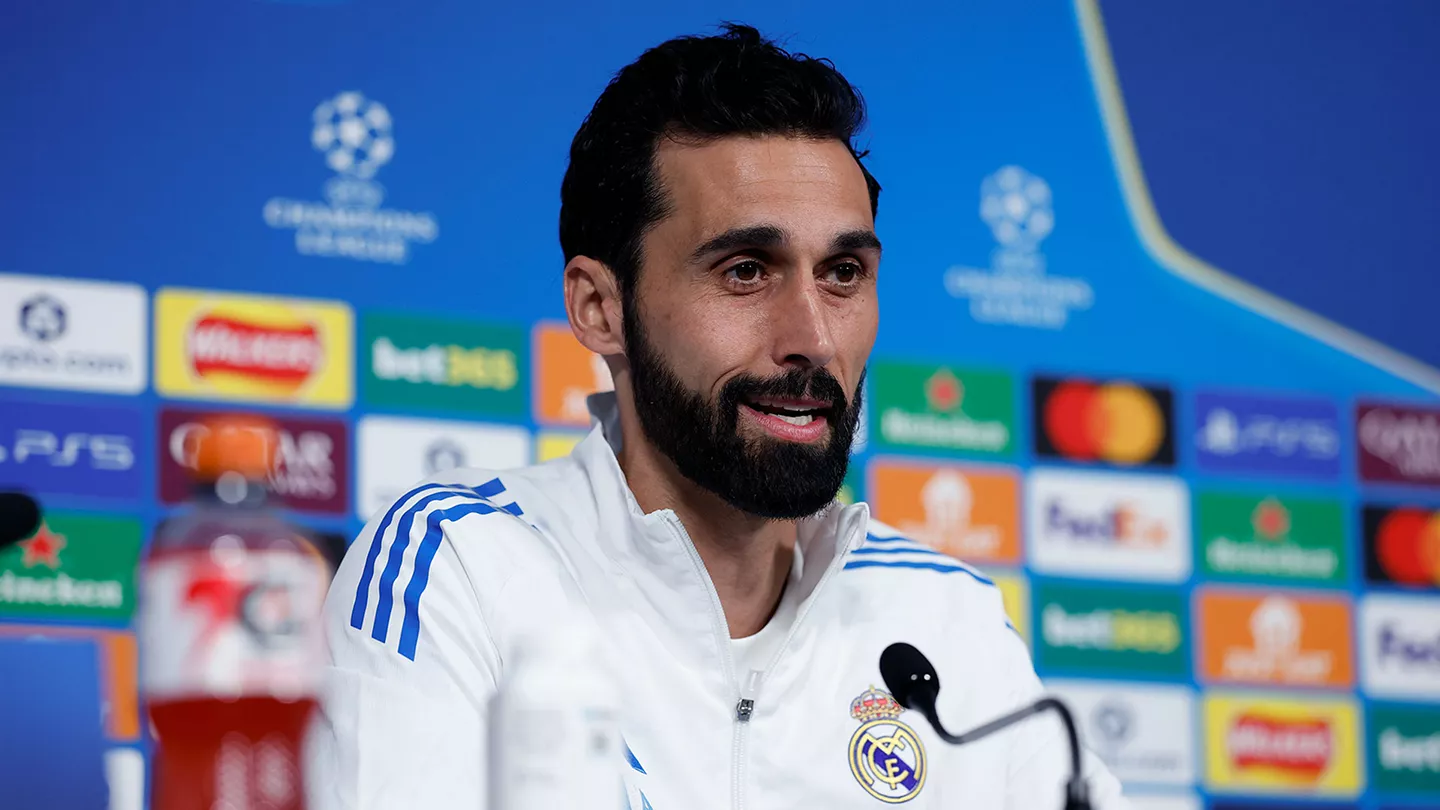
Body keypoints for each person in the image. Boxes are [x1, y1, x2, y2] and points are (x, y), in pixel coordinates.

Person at [309, 23, 1127, 810]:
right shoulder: (460, 567)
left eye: (843, 273)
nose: (813, 339)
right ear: (600, 307)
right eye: (745, 271)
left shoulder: (947, 622)